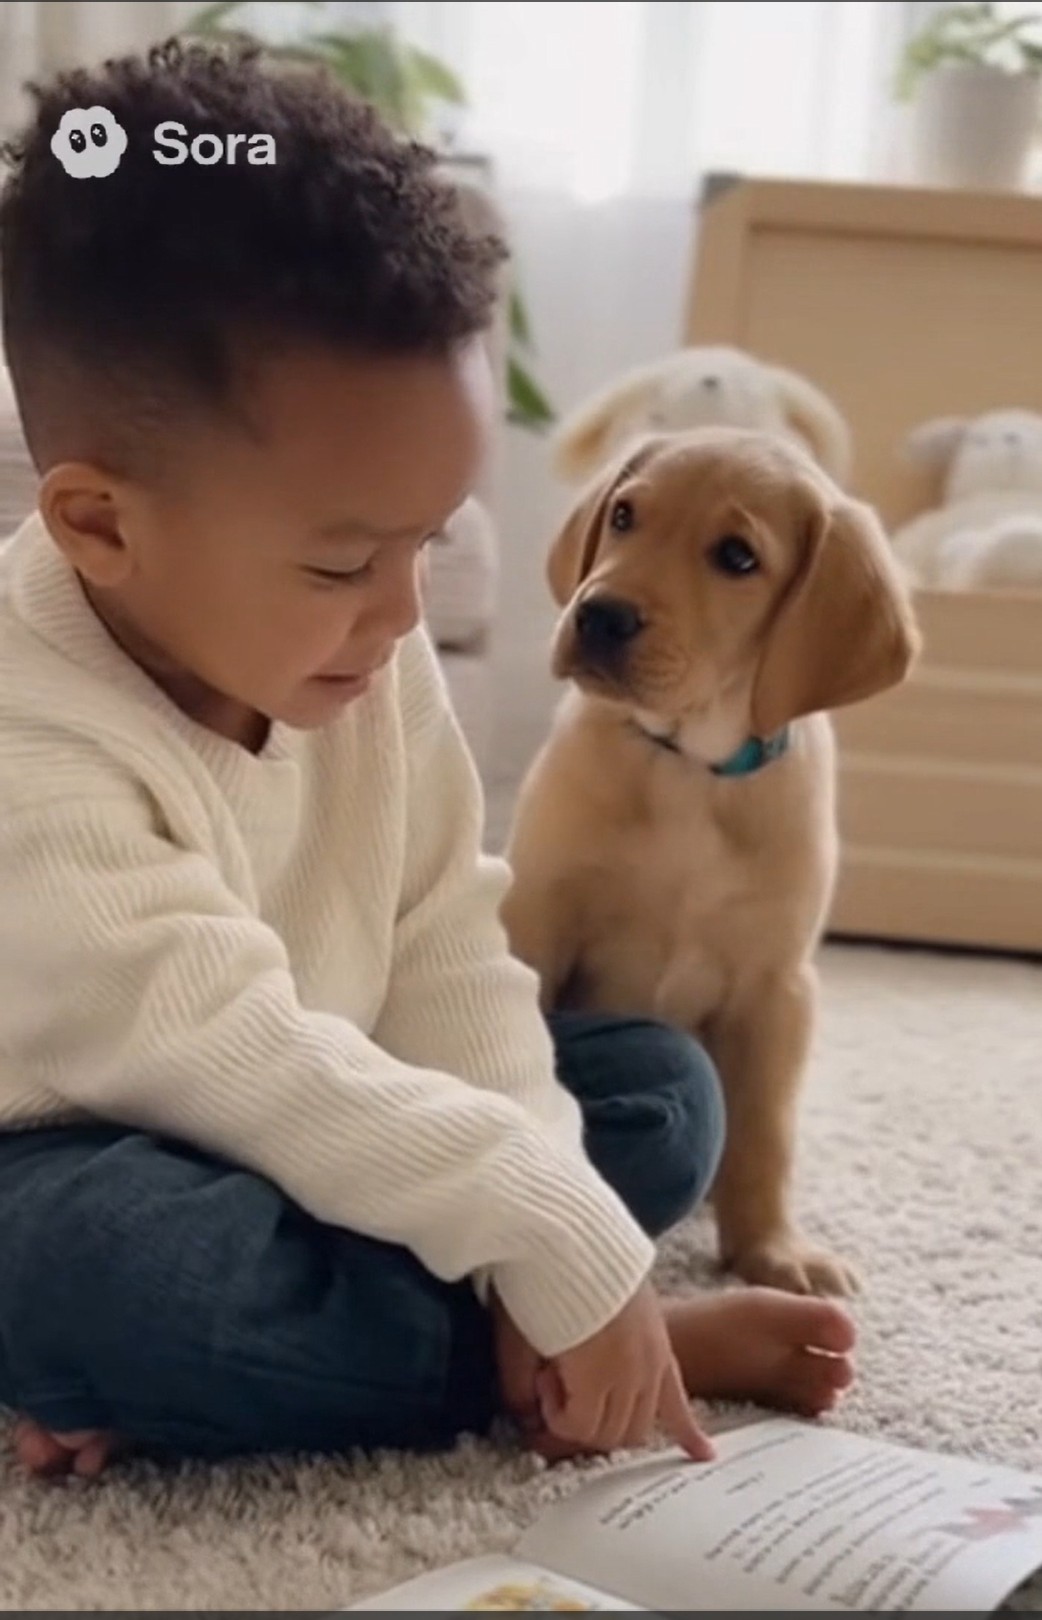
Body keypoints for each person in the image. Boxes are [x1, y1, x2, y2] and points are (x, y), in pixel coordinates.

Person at [0, 40, 855, 1481]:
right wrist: (554, 1242)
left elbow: (447, 942)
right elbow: (229, 1051)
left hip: (337, 1090)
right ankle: (562, 1346)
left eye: (429, 541)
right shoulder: (28, 739)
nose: (402, 613)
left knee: (660, 1094)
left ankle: (375, 1345)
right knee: (132, 1273)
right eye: (344, 562)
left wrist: (540, 1195)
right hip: (78, 1137)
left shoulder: (355, 655)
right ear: (99, 526)